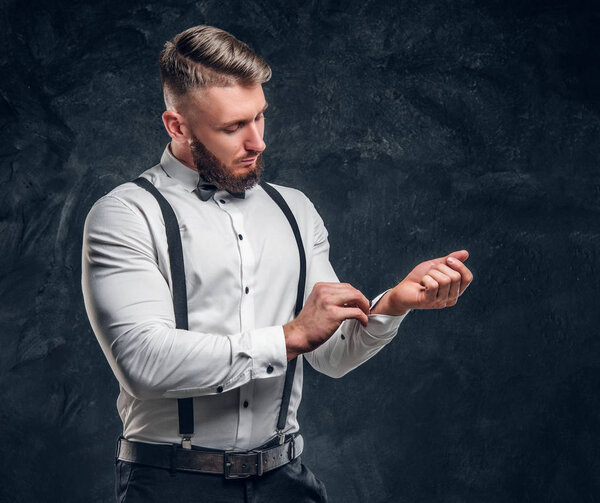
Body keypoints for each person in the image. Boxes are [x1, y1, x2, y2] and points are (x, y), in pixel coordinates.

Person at [82, 25, 473, 503]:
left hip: (286, 480)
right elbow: (143, 363)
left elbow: (330, 356)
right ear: (177, 126)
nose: (257, 142)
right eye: (233, 127)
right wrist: (287, 338)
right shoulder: (125, 214)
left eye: (260, 118)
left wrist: (392, 304)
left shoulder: (295, 210)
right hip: (172, 483)